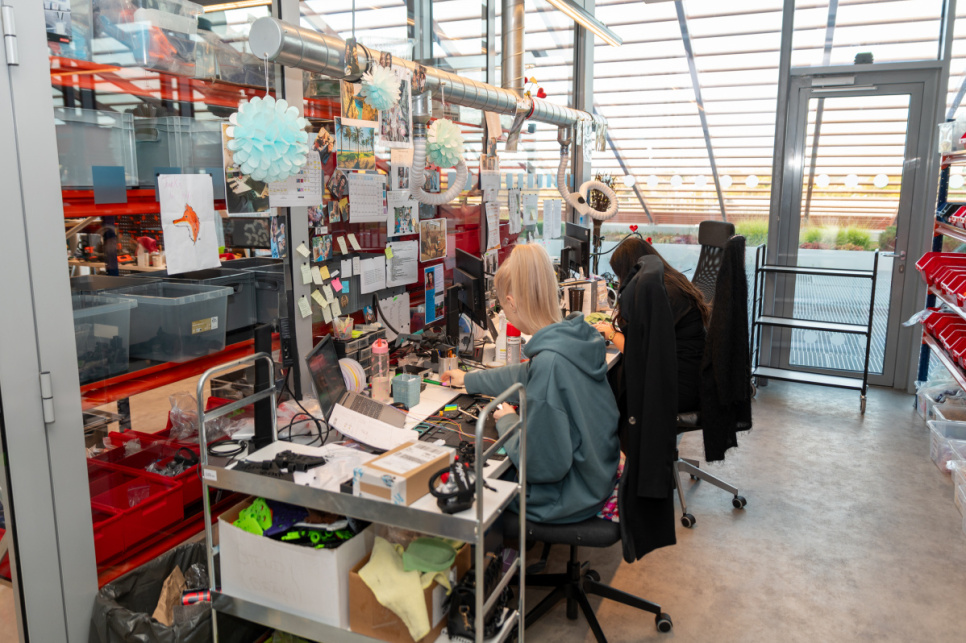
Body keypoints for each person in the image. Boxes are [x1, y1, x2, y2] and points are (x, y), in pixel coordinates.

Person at [442, 244, 620, 524]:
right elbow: (525, 374)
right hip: (597, 473)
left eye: (502, 306)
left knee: (470, 488)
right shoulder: (573, 338)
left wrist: (508, 421)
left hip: (570, 495)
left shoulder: (550, 364)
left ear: (511, 302)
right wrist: (470, 379)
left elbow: (540, 466)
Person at [593, 236, 709, 413]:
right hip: (689, 377)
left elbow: (639, 354)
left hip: (675, 388)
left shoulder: (660, 295)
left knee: (600, 381)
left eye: (620, 275)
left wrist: (611, 334)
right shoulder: (671, 283)